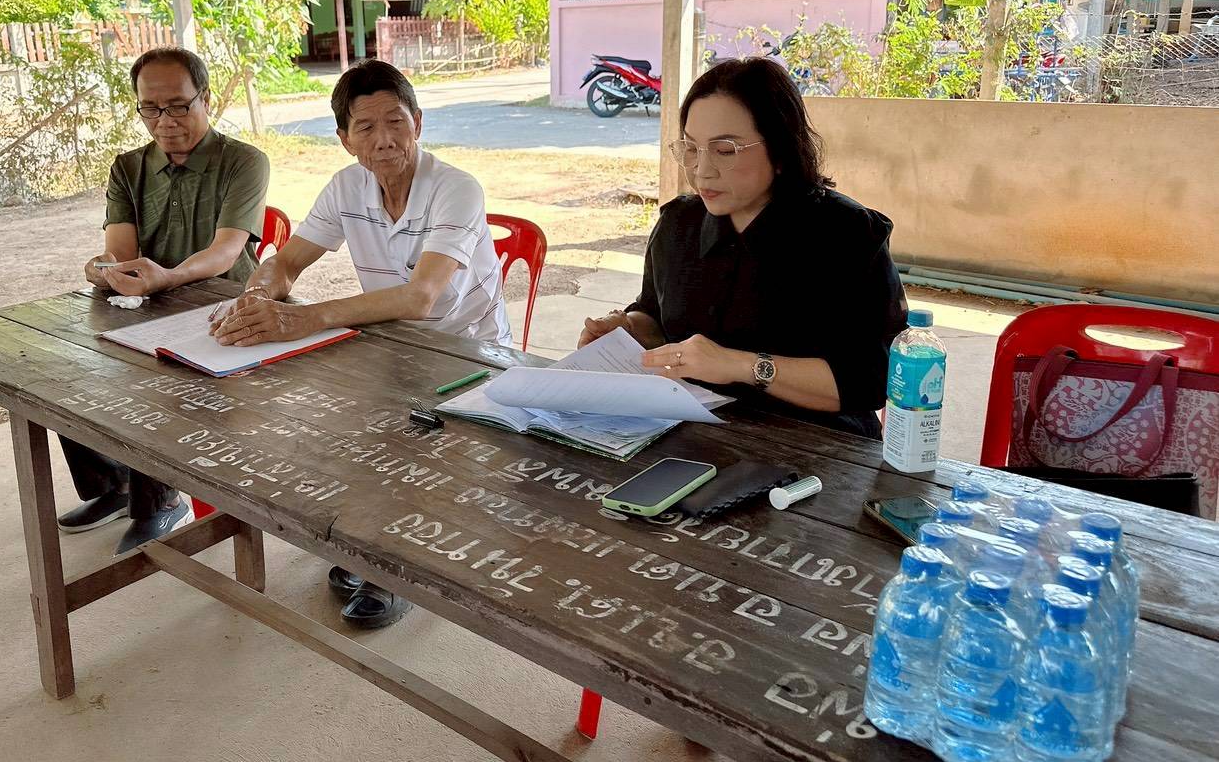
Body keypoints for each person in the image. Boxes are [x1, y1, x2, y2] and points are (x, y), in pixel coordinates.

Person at [210, 58, 510, 625]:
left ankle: (397, 566)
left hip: (470, 355)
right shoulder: (347, 187)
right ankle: (372, 543)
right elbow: (286, 264)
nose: (384, 139)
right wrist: (258, 293)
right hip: (391, 347)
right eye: (366, 127)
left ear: (418, 123)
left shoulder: (456, 188)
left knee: (397, 438)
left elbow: (421, 298)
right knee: (328, 420)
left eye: (396, 121)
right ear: (345, 139)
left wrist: (306, 318)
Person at [579, 57, 907, 439]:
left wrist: (739, 365)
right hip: (695, 432)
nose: (702, 170)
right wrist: (626, 329)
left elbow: (870, 379)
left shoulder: (846, 234)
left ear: (780, 150)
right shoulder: (678, 225)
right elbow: (657, 318)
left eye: (725, 150)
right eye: (691, 148)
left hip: (817, 448)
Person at [59, 47, 270, 554]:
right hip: (149, 304)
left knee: (153, 380)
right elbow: (120, 251)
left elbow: (225, 253)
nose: (165, 120)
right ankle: (115, 486)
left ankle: (161, 501)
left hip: (225, 308)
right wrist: (103, 268)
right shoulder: (128, 167)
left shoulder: (243, 161)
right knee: (63, 369)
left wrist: (166, 278)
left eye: (178, 105)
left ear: (206, 99)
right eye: (150, 108)